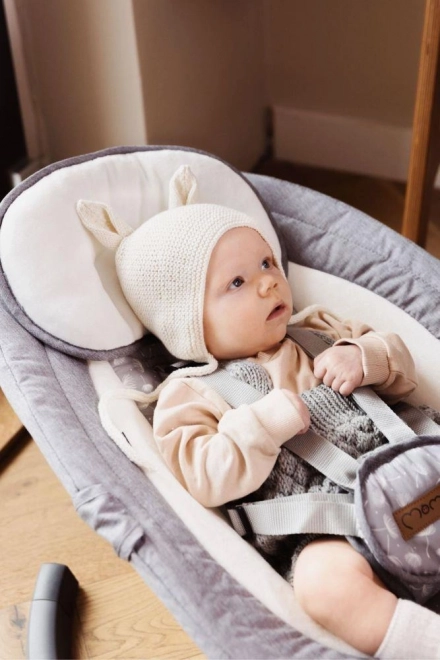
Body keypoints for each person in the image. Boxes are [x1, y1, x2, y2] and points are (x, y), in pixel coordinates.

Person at [78, 165, 440, 659]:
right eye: (238, 282)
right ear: (188, 321)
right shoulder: (189, 395)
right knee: (323, 588)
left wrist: (364, 357)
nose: (269, 283)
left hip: (420, 464)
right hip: (331, 526)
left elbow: (402, 367)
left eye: (267, 263)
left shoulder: (318, 330)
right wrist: (261, 427)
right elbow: (206, 476)